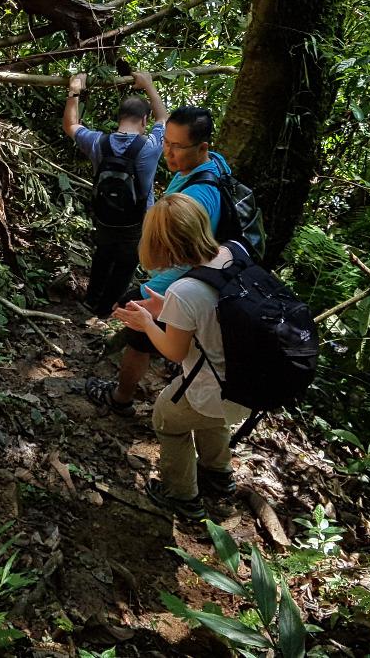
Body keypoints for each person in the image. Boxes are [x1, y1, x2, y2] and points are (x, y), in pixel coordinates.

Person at [84, 105, 237, 416]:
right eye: (166, 142)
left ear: (202, 147)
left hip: (186, 281)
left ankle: (121, 398)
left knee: (139, 330)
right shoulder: (212, 165)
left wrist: (144, 294)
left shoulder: (198, 198)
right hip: (198, 276)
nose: (168, 152)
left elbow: (185, 259)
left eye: (177, 147)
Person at [111, 194, 244, 520]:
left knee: (167, 419)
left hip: (214, 385)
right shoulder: (232, 252)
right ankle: (218, 472)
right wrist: (162, 306)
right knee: (211, 420)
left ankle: (183, 497)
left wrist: (146, 323)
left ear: (166, 245)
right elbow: (209, 311)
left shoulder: (186, 290)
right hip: (246, 379)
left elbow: (174, 350)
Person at [63, 70, 168, 318]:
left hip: (105, 216)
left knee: (103, 254)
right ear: (144, 120)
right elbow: (163, 117)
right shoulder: (150, 147)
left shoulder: (98, 142)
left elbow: (70, 125)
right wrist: (149, 86)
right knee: (125, 264)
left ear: (118, 117)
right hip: (137, 220)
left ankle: (91, 301)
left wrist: (75, 89)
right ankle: (107, 309)